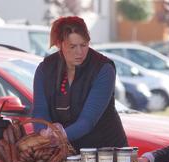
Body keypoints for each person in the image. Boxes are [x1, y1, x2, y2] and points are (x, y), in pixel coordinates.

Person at [32, 16, 128, 152]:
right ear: (60, 44)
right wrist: (44, 131)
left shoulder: (103, 68)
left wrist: (60, 135)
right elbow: (39, 110)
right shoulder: (45, 68)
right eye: (72, 46)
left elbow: (87, 121)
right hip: (66, 152)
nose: (79, 52)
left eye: (84, 45)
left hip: (105, 150)